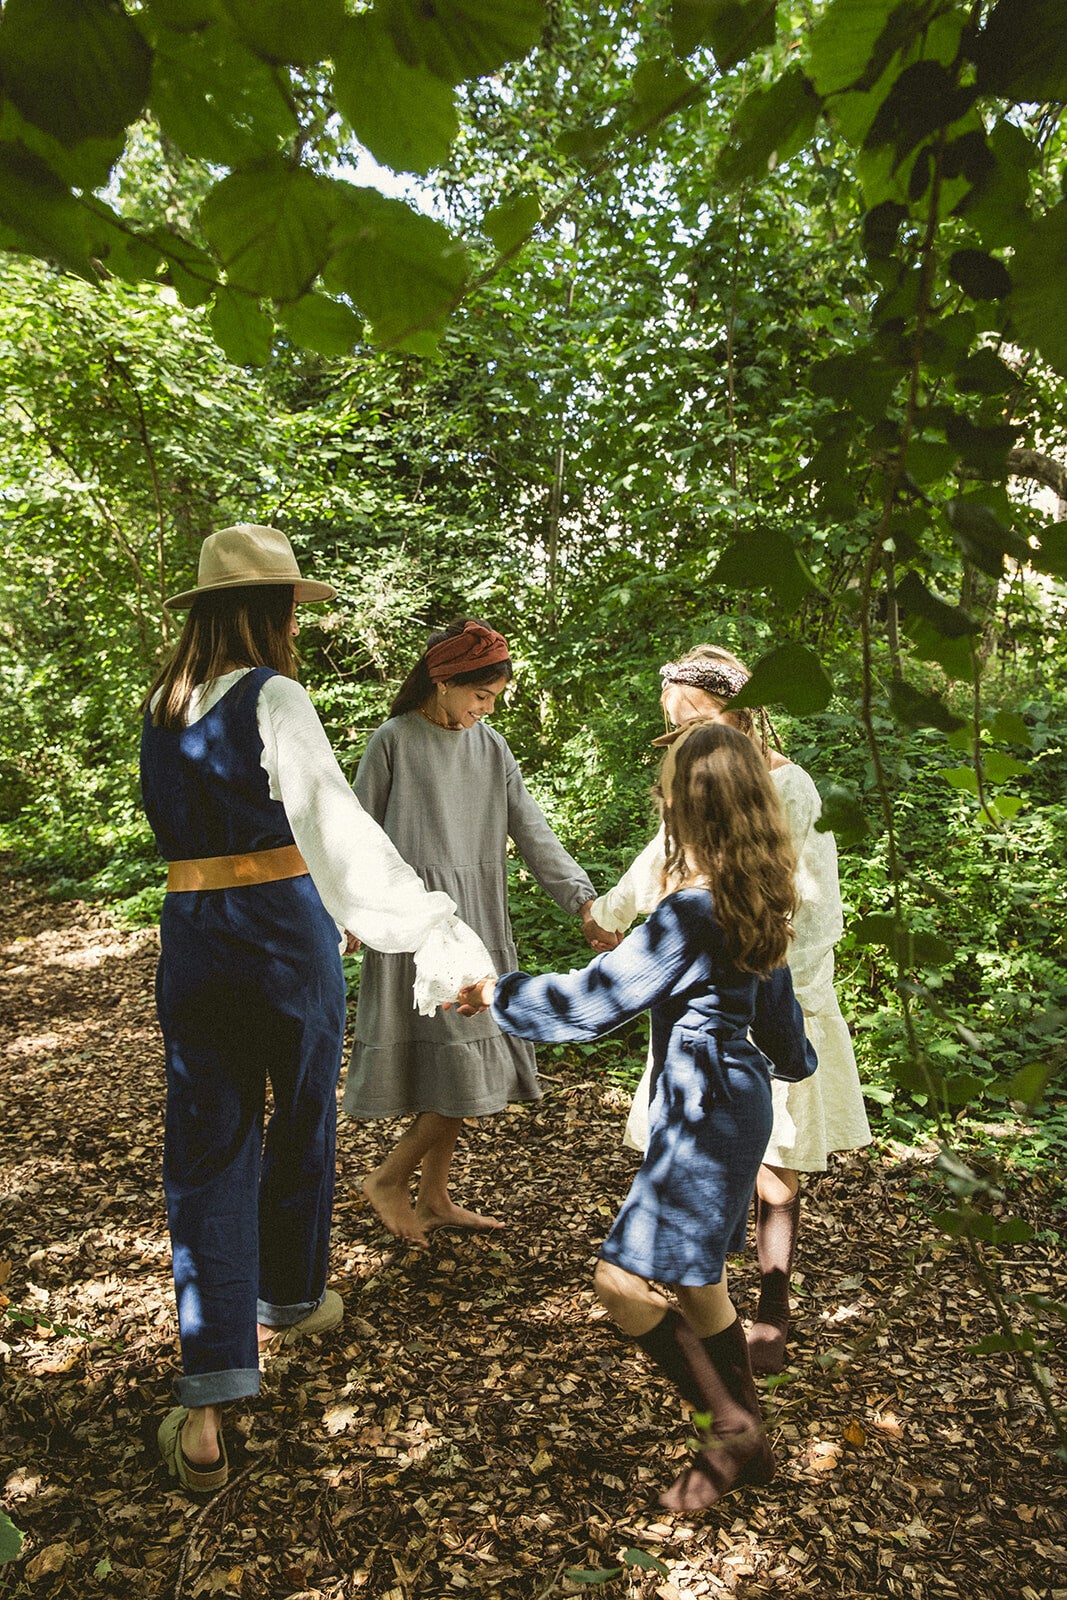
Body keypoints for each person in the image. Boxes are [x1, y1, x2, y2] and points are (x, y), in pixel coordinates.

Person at [140, 525, 493, 1495]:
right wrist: (430, 927)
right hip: (280, 933)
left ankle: (208, 1403)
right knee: (300, 1115)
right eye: (290, 607)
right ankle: (290, 1297)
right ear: (270, 611)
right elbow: (335, 828)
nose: (296, 623)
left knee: (207, 1147)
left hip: (193, 936)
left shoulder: (162, 705)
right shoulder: (274, 695)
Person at [454, 721, 816, 1512]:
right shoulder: (755, 891)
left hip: (704, 1110)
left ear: (687, 807)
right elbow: (781, 1024)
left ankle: (728, 1427)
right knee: (698, 1281)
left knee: (620, 1284)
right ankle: (748, 1440)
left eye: (665, 792)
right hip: (733, 1100)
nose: (660, 802)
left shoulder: (689, 911)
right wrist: (792, 1063)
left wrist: (493, 992)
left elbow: (591, 1004)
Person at [586, 644, 871, 1374]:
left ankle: (772, 1307)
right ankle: (708, 1301)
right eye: (673, 726)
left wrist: (773, 992)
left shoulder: (789, 786)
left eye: (696, 721)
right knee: (709, 1150)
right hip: (711, 994)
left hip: (777, 987)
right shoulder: (699, 785)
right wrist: (609, 911)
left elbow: (810, 908)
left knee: (777, 1159)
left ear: (740, 715)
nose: (682, 737)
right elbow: (661, 857)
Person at [342, 617, 603, 1248]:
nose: (485, 709)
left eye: (494, 699)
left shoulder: (492, 748)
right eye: (480, 695)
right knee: (461, 1071)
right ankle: (388, 1180)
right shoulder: (393, 741)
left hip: (478, 924)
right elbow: (353, 834)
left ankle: (433, 1196)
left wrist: (583, 901)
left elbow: (533, 830)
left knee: (464, 1066)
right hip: (417, 925)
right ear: (444, 681)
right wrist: (348, 914)